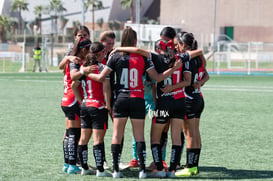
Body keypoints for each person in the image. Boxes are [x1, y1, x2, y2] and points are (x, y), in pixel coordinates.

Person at [85, 27, 182, 179]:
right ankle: (142, 171)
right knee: (139, 136)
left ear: (121, 41)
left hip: (121, 99)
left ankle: (116, 170)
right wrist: (172, 70)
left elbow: (102, 77)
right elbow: (157, 78)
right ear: (136, 41)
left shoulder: (114, 56)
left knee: (117, 134)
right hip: (138, 99)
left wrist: (85, 72)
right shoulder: (144, 58)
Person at [112, 39, 203, 178]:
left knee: (155, 137)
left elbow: (138, 51)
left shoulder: (157, 58)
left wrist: (119, 48)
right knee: (176, 137)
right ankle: (172, 170)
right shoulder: (181, 57)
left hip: (163, 103)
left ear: (158, 48)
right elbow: (197, 58)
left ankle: (159, 168)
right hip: (179, 102)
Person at [170, 32, 209, 177]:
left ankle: (190, 167)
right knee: (195, 132)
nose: (176, 47)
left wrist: (171, 88)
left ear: (183, 45)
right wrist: (201, 82)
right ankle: (194, 166)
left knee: (189, 134)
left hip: (189, 99)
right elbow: (207, 75)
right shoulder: (199, 58)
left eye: (178, 45)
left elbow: (187, 81)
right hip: (198, 98)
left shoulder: (187, 59)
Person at [76, 42, 112, 177]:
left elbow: (74, 85)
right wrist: (108, 105)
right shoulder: (102, 67)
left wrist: (82, 101)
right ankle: (100, 170)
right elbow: (107, 87)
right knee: (98, 139)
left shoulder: (84, 67)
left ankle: (84, 168)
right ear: (101, 53)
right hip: (98, 106)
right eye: (104, 52)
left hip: (85, 105)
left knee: (83, 139)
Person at [61, 38, 92, 174]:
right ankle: (73, 165)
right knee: (74, 133)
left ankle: (68, 164)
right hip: (73, 100)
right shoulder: (76, 61)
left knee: (69, 133)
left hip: (66, 100)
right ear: (84, 50)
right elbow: (74, 78)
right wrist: (85, 70)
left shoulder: (72, 59)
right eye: (89, 50)